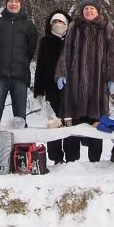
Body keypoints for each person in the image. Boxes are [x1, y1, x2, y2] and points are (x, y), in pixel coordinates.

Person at [55, 0, 114, 164]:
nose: (89, 11)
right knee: (72, 123)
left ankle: (95, 160)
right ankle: (71, 159)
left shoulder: (106, 27)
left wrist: (112, 78)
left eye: (92, 9)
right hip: (75, 81)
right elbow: (66, 50)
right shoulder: (74, 27)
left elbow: (112, 54)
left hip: (98, 82)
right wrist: (62, 72)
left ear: (98, 11)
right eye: (86, 9)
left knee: (96, 122)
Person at [0, 0, 40, 127]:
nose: (13, 4)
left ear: (20, 4)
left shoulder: (29, 26)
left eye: (16, 1)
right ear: (6, 4)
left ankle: (21, 148)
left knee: (20, 118)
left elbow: (31, 50)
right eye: (10, 1)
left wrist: (22, 63)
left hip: (20, 75)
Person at [32, 11, 71, 160]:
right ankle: (55, 156)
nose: (58, 25)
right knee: (54, 121)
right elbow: (40, 66)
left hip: (70, 86)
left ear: (66, 24)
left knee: (69, 121)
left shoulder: (73, 40)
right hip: (51, 86)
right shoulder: (46, 41)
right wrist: (39, 91)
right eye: (55, 22)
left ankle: (71, 156)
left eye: (60, 22)